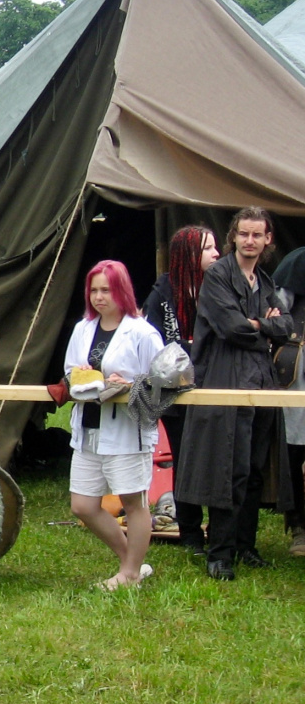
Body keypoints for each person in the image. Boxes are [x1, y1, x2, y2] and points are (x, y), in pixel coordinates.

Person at [176, 207, 297, 581]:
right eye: (244, 234)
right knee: (229, 467)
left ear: (267, 240)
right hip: (226, 379)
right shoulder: (217, 276)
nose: (249, 241)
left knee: (255, 469)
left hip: (261, 380)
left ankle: (246, 546)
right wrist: (266, 323)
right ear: (234, 236)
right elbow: (231, 328)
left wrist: (261, 324)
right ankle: (221, 552)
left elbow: (287, 325)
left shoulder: (263, 279)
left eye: (257, 235)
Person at [65, 260, 163, 590]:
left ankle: (131, 572)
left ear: (121, 290)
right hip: (89, 428)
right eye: (93, 290)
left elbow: (165, 380)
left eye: (106, 289)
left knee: (133, 502)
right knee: (83, 504)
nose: (99, 297)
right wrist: (79, 375)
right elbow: (68, 372)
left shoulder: (143, 332)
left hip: (127, 431)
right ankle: (131, 562)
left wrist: (130, 382)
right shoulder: (82, 328)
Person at [142, 225, 218, 553]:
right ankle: (189, 533)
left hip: (214, 388)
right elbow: (153, 342)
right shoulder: (163, 293)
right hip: (176, 393)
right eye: (208, 248)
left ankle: (220, 531)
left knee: (214, 460)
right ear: (189, 254)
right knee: (185, 461)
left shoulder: (219, 288)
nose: (216, 254)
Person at [271, 247, 305, 557]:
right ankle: (299, 525)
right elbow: (278, 315)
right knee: (295, 448)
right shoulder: (297, 262)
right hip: (300, 371)